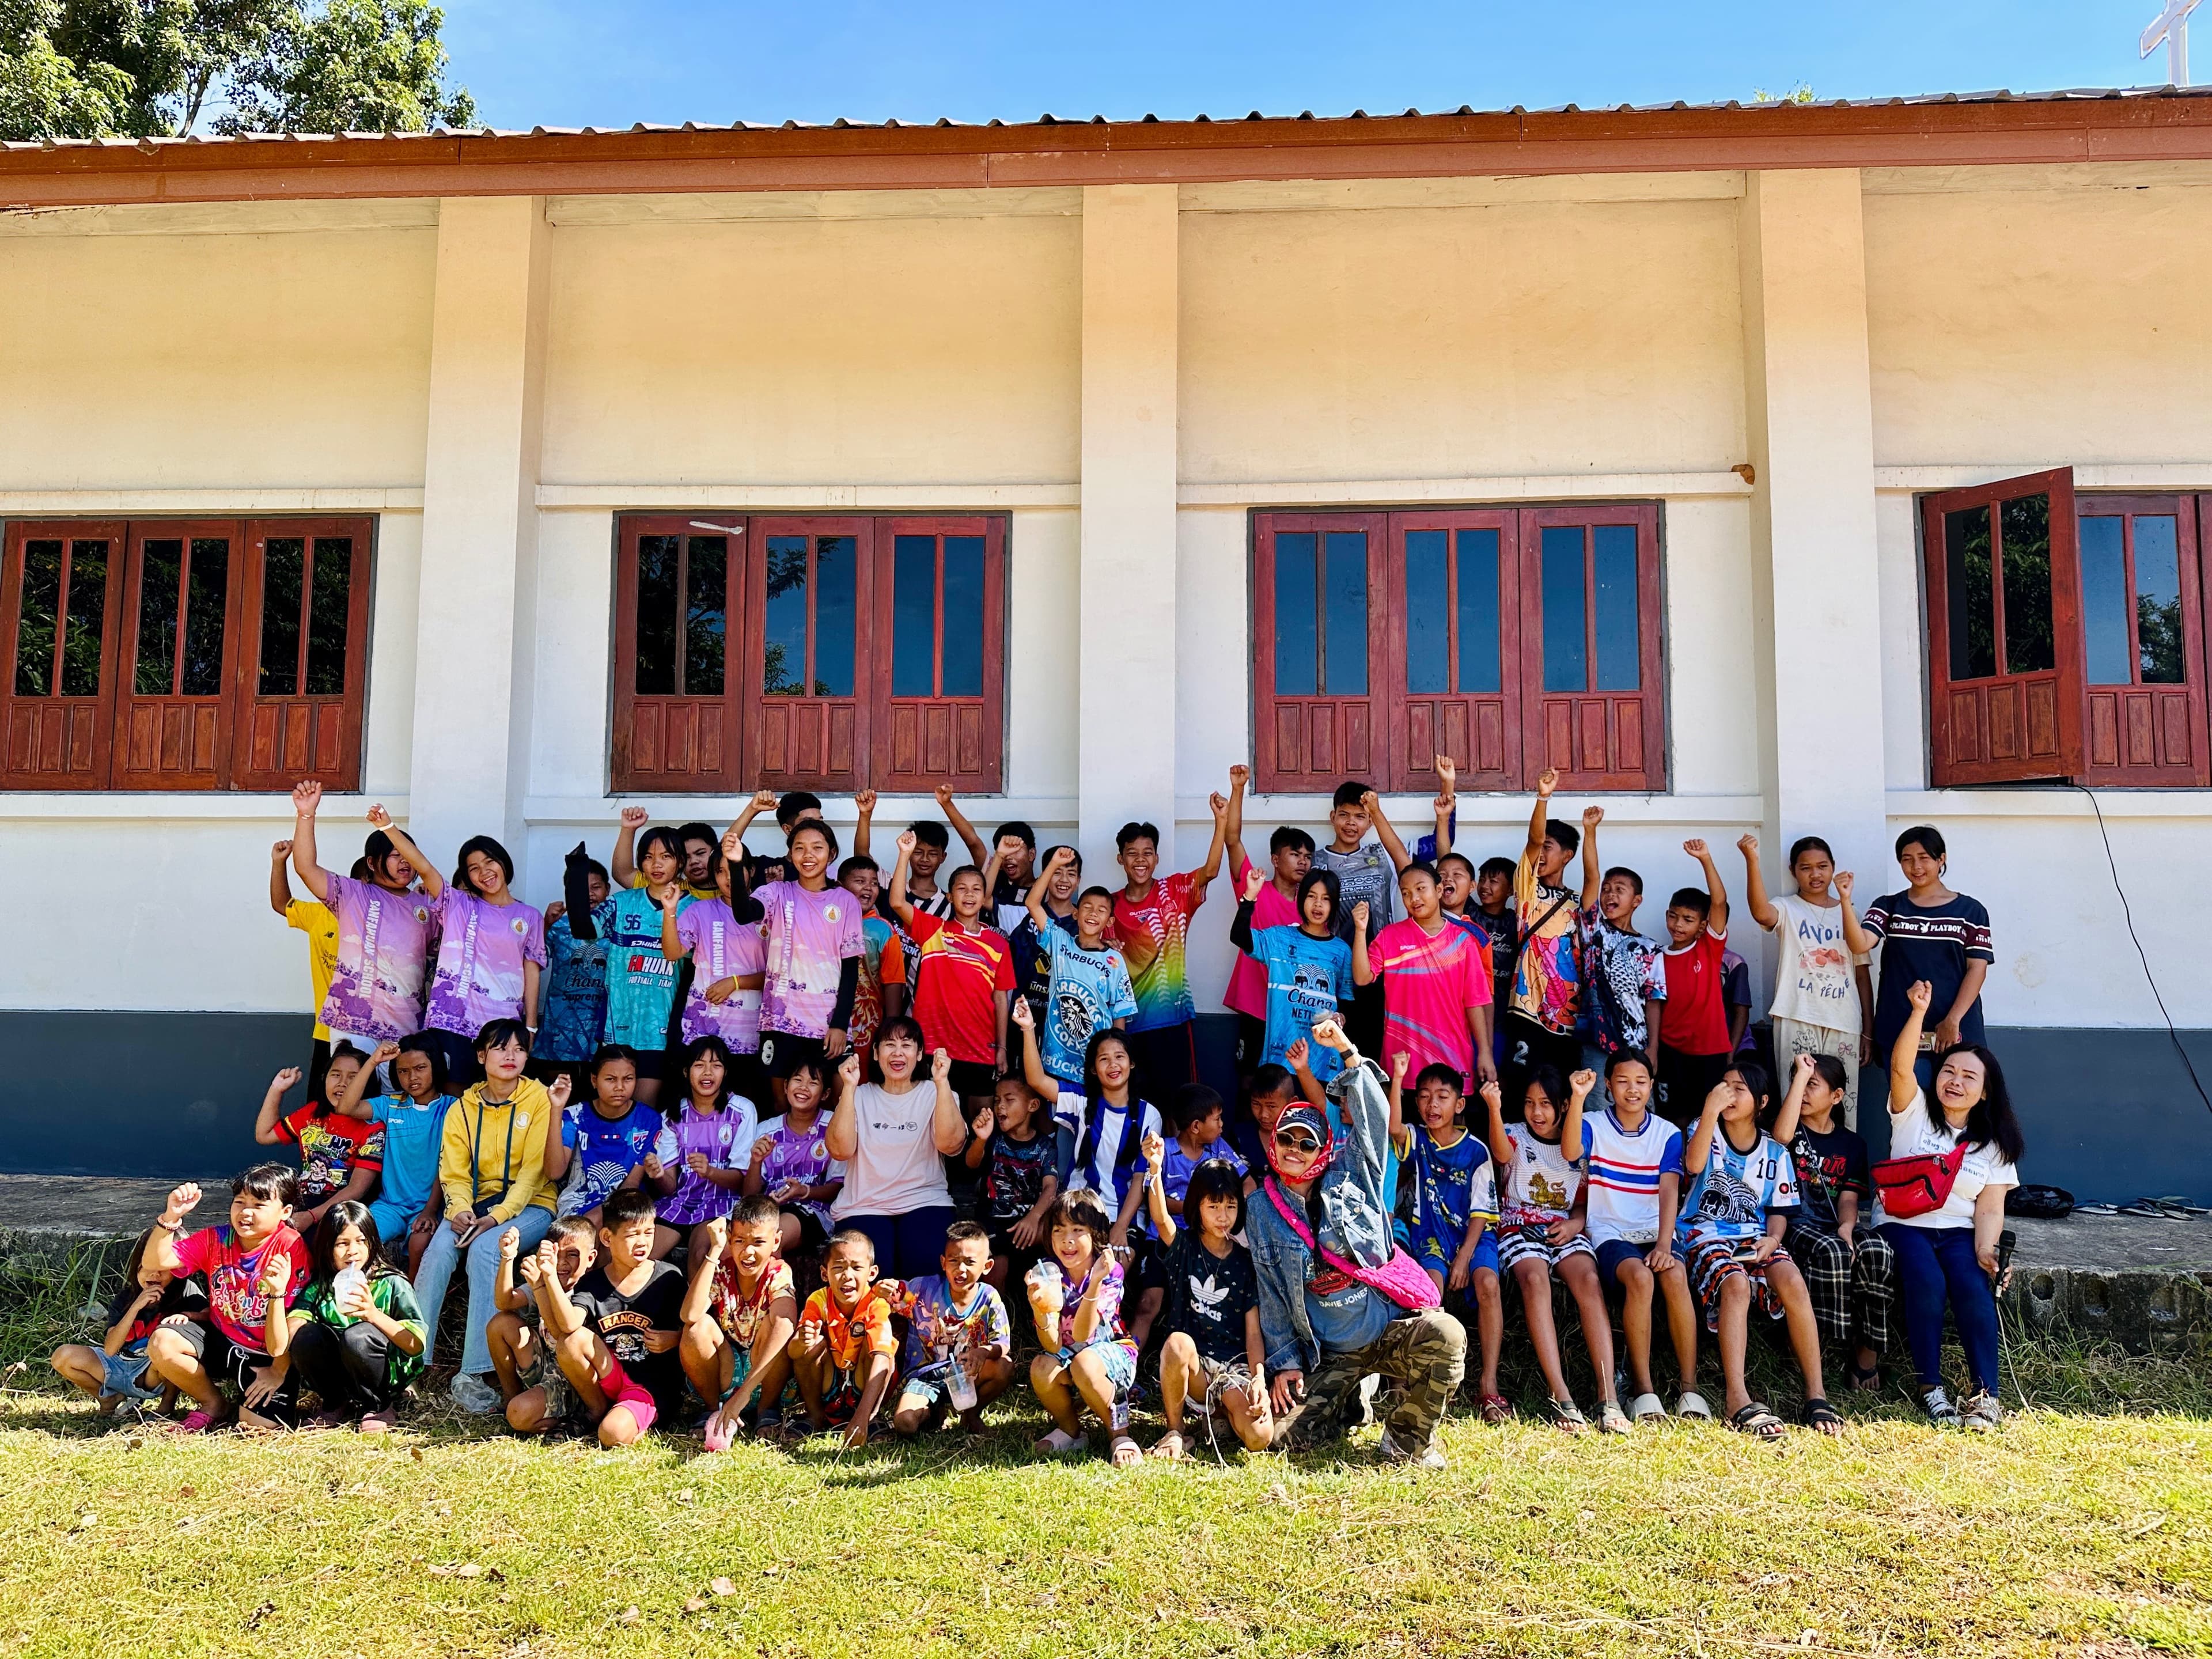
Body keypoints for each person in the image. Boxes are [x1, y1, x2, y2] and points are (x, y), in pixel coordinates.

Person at [1247, 1020, 1466, 1468]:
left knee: (1448, 1335)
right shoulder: (1261, 1208)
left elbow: (1374, 1116)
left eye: (1306, 1143)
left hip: (1387, 1331)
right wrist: (1287, 1363)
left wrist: (1347, 1050)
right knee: (1285, 1438)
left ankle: (1406, 1440)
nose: (1294, 1149)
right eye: (1286, 1138)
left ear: (1323, 1151)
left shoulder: (1353, 1176)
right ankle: (1352, 1399)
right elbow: (1270, 1292)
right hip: (1329, 1353)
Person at [1876, 979, 2022, 1430]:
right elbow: (1901, 1067)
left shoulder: (1994, 1145)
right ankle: (1931, 1388)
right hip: (1903, 1224)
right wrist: (1918, 1012)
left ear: (1985, 1092)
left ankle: (1986, 1396)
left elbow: (1990, 1209)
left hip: (1959, 1232)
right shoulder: (1914, 1111)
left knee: (1973, 1287)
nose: (1955, 1081)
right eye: (1948, 1072)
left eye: (1968, 1077)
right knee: (1927, 1280)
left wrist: (1987, 1251)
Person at [1677, 1062, 1841, 1439]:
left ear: (1762, 1102)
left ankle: (1816, 1393)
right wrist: (1709, 1110)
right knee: (1735, 1284)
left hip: (1755, 1237)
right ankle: (1736, 1397)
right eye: (1724, 1085)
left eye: (1739, 1089)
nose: (1728, 1094)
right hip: (1704, 1234)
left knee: (1792, 1280)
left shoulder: (1774, 1151)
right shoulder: (1704, 1129)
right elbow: (1694, 1164)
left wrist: (1773, 1241)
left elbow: (1780, 1210)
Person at [414, 1021, 563, 1415]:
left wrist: (496, 1218)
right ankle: (412, 1358)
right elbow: (454, 1172)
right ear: (481, 1056)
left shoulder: (539, 1100)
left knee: (485, 1250)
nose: (511, 1056)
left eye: (519, 1049)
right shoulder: (462, 1108)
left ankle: (477, 1370)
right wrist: (460, 1209)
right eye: (500, 1048)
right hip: (474, 1207)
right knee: (438, 1251)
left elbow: (534, 1174)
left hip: (531, 1205)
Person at [1483, 1066, 1622, 1433]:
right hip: (1517, 1224)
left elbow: (1584, 1204)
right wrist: (1495, 1109)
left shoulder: (1579, 1145)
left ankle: (1608, 1396)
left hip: (1565, 1226)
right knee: (1534, 1280)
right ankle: (1561, 1396)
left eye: (1545, 1104)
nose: (1537, 1112)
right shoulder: (1514, 1134)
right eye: (1530, 1103)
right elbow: (1501, 1154)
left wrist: (1576, 1224)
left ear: (1563, 1106)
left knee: (1589, 1281)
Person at [374, 815, 546, 1088]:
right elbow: (425, 868)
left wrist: (531, 1026)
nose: (485, 872)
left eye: (490, 862)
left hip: (502, 1027)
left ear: (503, 862)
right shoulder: (458, 904)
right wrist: (388, 828)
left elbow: (532, 971)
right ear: (468, 877)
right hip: (452, 1021)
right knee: (453, 1097)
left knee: (498, 1095)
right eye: (474, 868)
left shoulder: (530, 916)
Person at [1582, 1050, 1706, 1423]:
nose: (1632, 1089)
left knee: (1675, 1274)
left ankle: (1690, 1389)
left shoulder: (1667, 1133)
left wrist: (1665, 1245)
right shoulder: (1592, 1123)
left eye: (1640, 1082)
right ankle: (1643, 1389)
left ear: (1652, 1086)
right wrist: (1577, 1097)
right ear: (1608, 1085)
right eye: (1622, 1081)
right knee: (1640, 1277)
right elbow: (1571, 1151)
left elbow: (1669, 1190)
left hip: (1655, 1229)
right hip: (1609, 1229)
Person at [141, 1166, 311, 1434]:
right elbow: (156, 1261)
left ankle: (258, 1393)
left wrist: (278, 1371)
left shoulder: (289, 1246)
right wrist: (171, 1217)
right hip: (223, 1340)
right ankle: (213, 1404)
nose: (246, 1213)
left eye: (259, 1205)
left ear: (285, 1212)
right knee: (164, 1342)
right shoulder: (216, 1238)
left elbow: (297, 1317)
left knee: (256, 1429)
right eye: (240, 1202)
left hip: (268, 1353)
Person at [287, 781, 433, 1085]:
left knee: (396, 1101)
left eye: (408, 854)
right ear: (372, 862)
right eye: (394, 855)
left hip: (406, 1026)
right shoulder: (352, 894)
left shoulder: (427, 906)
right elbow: (305, 867)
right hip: (352, 1022)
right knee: (352, 1096)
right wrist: (306, 815)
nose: (404, 861)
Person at [1770, 1051, 1895, 1395]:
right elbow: (1780, 1138)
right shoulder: (1791, 1132)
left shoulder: (1852, 1144)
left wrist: (1846, 1227)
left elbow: (1849, 1199)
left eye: (1812, 1085)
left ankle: (1867, 1351)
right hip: (1795, 1223)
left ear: (1837, 1096)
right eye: (1800, 1085)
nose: (1804, 1092)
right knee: (1831, 1251)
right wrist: (1800, 1076)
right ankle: (1818, 1348)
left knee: (1878, 1249)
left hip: (1831, 1222)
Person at [1389, 1056, 1503, 1425]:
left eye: (1442, 1097)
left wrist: (1465, 1257)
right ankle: (1429, 1381)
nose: (1432, 1105)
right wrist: (1398, 1078)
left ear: (1460, 1104)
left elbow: (1482, 1212)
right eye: (1424, 1096)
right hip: (1431, 1234)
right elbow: (1394, 1128)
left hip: (1474, 1235)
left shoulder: (1477, 1151)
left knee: (1488, 1284)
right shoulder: (1418, 1138)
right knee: (1429, 1293)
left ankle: (1488, 1382)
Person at [541, 1188, 700, 1448]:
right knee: (571, 1341)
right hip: (610, 1376)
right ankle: (596, 1409)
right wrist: (548, 1277)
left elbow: (695, 1329)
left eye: (649, 1232)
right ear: (607, 1237)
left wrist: (675, 1339)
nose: (643, 1242)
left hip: (650, 1386)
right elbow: (569, 1325)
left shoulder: (668, 1277)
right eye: (632, 1234)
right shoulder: (593, 1283)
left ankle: (629, 1420)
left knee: (611, 1435)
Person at [1142, 1152, 1270, 1459]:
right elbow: (1160, 1219)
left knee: (1259, 1437)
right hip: (1197, 1369)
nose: (1223, 1216)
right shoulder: (1184, 1248)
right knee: (1177, 1344)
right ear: (1196, 1207)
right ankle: (1176, 1430)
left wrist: (1259, 1379)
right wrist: (1155, 1169)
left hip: (1233, 1369)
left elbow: (1254, 1333)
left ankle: (1220, 1414)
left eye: (1230, 1206)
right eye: (1213, 1206)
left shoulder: (1246, 1262)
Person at [1106, 784, 1231, 1097]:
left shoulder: (1175, 892)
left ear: (1157, 858)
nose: (1140, 860)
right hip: (1125, 1025)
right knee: (1135, 1104)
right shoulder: (1108, 906)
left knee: (1178, 1102)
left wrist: (1221, 820)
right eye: (1132, 853)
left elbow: (1211, 871)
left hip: (1172, 1019)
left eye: (1147, 853)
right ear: (1120, 859)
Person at [1850, 827, 1994, 1096]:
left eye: (1924, 858)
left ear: (1941, 859)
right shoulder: (1889, 906)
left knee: (1959, 1108)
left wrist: (1952, 1020)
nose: (1916, 867)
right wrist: (1845, 900)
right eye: (1907, 859)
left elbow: (1977, 969)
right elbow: (1860, 944)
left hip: (1957, 1031)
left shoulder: (1971, 911)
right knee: (1910, 1111)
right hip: (1901, 1029)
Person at [1012, 998, 1160, 1259]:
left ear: (1131, 1063)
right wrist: (1028, 1028)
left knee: (1113, 1273)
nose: (1113, 1065)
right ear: (1093, 1069)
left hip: (1122, 1218)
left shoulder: (1150, 1115)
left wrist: (1121, 1227)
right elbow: (1036, 1080)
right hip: (1076, 1211)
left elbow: (1140, 1178)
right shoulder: (1081, 1102)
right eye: (1104, 1059)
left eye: (1119, 1057)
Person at [732, 818, 864, 1108]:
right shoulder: (777, 892)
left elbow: (850, 970)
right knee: (782, 1106)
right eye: (800, 848)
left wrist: (840, 1025)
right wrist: (735, 863)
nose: (808, 855)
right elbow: (744, 913)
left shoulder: (846, 902)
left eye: (817, 848)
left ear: (831, 853)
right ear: (790, 854)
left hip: (827, 1024)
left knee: (835, 1104)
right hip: (780, 1021)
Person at [888, 829, 1017, 1118]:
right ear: (949, 896)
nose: (969, 895)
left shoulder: (998, 943)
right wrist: (904, 854)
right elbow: (897, 902)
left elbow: (1001, 999)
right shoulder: (934, 931)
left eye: (976, 889)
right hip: (934, 1048)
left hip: (980, 1048)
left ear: (984, 896)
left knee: (979, 1126)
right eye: (962, 889)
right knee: (934, 1124)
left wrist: (1002, 1048)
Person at [827, 1021, 968, 1279]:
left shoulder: (936, 1091)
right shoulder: (859, 1095)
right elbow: (840, 1150)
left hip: (924, 1200)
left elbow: (951, 1144)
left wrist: (942, 1081)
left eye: (907, 1045)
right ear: (876, 1053)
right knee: (872, 1274)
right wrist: (848, 1088)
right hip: (864, 1204)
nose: (898, 1053)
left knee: (926, 1269)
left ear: (920, 1053)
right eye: (889, 1045)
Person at [1353, 863, 1496, 1096]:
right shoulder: (1390, 936)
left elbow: (1475, 1002)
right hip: (1402, 1062)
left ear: (1439, 890)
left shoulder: (1464, 942)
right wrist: (1360, 931)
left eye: (1421, 889)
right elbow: (1362, 977)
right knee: (1402, 1120)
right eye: (1406, 893)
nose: (1414, 898)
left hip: (1453, 1060)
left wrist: (1485, 1053)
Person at [283, 1200, 427, 1433]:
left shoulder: (392, 1284)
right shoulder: (320, 1288)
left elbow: (415, 1345)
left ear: (373, 1242)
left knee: (358, 1337)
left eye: (361, 1241)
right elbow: (292, 1329)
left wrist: (373, 1314)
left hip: (385, 1376)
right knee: (306, 1336)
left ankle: (379, 1405)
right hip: (341, 1376)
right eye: (342, 1243)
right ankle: (334, 1402)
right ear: (327, 1248)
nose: (353, 1251)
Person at [1024, 1187, 1142, 1465]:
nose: (1068, 1240)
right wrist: (1039, 1308)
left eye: (1078, 1230)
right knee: (1041, 1367)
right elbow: (1053, 1344)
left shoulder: (1108, 1270)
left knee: (1085, 1363)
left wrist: (1095, 1282)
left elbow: (1082, 1333)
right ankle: (1071, 1431)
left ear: (1096, 1234)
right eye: (1059, 1231)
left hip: (1112, 1353)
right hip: (1070, 1354)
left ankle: (1119, 1434)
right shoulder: (1049, 1272)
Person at [1501, 770, 1596, 1112]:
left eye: (1549, 848)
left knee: (1559, 1094)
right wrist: (1543, 797)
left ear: (1567, 855)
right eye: (1540, 848)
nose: (1541, 854)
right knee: (1521, 1087)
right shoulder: (1528, 889)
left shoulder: (1576, 902)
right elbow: (1532, 840)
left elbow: (1593, 880)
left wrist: (1590, 833)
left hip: (1565, 1015)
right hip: (1526, 1007)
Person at [1310, 782, 1419, 1057]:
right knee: (1335, 1051)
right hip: (1334, 971)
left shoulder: (1380, 856)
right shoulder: (1315, 862)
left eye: (1360, 817)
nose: (1351, 823)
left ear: (1370, 823)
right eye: (1345, 815)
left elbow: (1405, 864)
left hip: (1379, 970)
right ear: (1332, 817)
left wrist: (1377, 811)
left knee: (1374, 1051)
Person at [681, 1198, 800, 1449]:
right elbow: (689, 1315)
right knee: (697, 1328)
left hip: (765, 1375)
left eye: (758, 1242)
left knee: (777, 1325)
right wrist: (715, 1252)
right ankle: (713, 1409)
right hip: (730, 1369)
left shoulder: (778, 1272)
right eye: (739, 1241)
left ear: (776, 1242)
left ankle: (767, 1409)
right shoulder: (723, 1271)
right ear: (729, 1239)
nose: (748, 1252)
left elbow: (787, 1324)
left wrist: (744, 1394)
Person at [332, 1036, 456, 1276]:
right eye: (403, 1071)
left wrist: (431, 1210)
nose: (412, 1077)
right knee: (355, 1236)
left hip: (432, 1206)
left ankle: (410, 1294)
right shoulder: (390, 1105)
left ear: (436, 1067)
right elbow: (346, 1107)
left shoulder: (453, 1108)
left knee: (419, 1245)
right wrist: (372, 1062)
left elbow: (450, 1165)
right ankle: (354, 1290)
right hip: (390, 1206)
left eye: (420, 1068)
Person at [50, 1225, 202, 1418]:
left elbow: (208, 1315)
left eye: (164, 1269)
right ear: (137, 1265)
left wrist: (190, 1316)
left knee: (168, 1355)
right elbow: (110, 1349)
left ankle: (167, 1405)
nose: (154, 1275)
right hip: (118, 1364)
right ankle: (108, 1399)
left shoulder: (186, 1292)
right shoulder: (127, 1297)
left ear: (179, 1271)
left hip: (152, 1373)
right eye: (147, 1266)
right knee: (63, 1356)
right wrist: (135, 1307)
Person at [1221, 763, 1313, 1074]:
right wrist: (1238, 790)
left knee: (1288, 1079)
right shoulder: (1255, 887)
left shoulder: (1312, 904)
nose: (1303, 862)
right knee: (1249, 1080)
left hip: (1293, 1008)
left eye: (1307, 857)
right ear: (1275, 859)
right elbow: (1232, 841)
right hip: (1255, 1004)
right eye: (1295, 854)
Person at [1023, 847, 1137, 1088]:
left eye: (1102, 910)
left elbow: (1119, 1016)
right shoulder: (1060, 941)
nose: (1093, 914)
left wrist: (1117, 1060)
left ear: (1110, 921)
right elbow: (1032, 903)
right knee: (1057, 1110)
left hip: (1096, 1066)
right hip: (1057, 1060)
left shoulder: (1114, 961)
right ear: (1076, 913)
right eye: (1087, 907)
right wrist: (1054, 864)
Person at [891, 1221, 1016, 1439]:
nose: (961, 1269)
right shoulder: (923, 1290)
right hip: (926, 1377)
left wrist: (983, 1352)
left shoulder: (989, 1297)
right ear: (943, 1262)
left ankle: (971, 1415)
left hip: (968, 1373)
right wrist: (885, 1289)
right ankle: (933, 1411)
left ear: (987, 1266)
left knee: (1004, 1366)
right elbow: (895, 1295)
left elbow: (1002, 1344)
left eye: (970, 1262)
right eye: (954, 1261)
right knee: (905, 1423)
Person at [1229, 863, 1354, 1082]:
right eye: (1312, 896)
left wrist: (1341, 1017)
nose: (1318, 904)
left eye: (1326, 899)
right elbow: (1239, 936)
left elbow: (1346, 1000)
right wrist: (1250, 896)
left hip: (1324, 1061)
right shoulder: (1279, 938)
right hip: (1281, 1059)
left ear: (1334, 905)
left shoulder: (1342, 950)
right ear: (1301, 899)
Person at [599, 824, 694, 1105]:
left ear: (680, 862)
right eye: (649, 857)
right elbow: (584, 928)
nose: (656, 864)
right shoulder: (620, 903)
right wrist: (576, 875)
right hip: (618, 1028)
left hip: (661, 1031)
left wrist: (670, 912)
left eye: (666, 856)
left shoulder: (694, 908)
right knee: (614, 1107)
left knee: (642, 1111)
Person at [660, 854, 767, 1104]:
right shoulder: (701, 910)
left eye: (735, 869)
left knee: (743, 1103)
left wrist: (736, 983)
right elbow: (672, 953)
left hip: (749, 1031)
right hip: (703, 1029)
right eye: (720, 871)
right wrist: (670, 911)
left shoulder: (766, 912)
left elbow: (781, 975)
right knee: (698, 1102)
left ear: (751, 870)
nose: (728, 878)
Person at [1575, 808, 1666, 1084]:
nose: (1609, 894)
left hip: (1636, 1044)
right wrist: (1590, 831)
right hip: (1597, 1039)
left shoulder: (1650, 949)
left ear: (1636, 901)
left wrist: (1653, 1047)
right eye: (1606, 889)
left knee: (1637, 1103)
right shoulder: (1594, 929)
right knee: (1597, 1103)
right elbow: (1591, 877)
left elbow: (1654, 1000)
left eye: (1619, 890)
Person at [648, 1035, 760, 1257]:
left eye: (716, 1066)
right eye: (699, 1065)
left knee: (702, 1255)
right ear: (686, 1071)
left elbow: (742, 1181)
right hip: (680, 1203)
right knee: (642, 1258)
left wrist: (710, 1172)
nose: (708, 1073)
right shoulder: (672, 1116)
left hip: (723, 1203)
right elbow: (670, 1187)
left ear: (725, 1072)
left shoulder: (742, 1110)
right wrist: (659, 1175)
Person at [793, 1228, 904, 1448]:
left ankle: (872, 1417)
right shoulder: (818, 1300)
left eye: (857, 1267)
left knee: (883, 1353)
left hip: (864, 1383)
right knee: (812, 1344)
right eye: (838, 1267)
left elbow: (882, 1360)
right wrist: (801, 1341)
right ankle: (815, 1415)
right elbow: (794, 1353)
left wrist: (862, 1418)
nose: (847, 1275)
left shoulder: (876, 1304)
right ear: (824, 1273)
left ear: (872, 1273)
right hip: (831, 1381)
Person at [487, 1214, 597, 1434]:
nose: (561, 1263)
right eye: (556, 1254)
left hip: (573, 1381)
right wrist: (508, 1257)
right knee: (501, 1324)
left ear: (591, 1258)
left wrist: (540, 1286)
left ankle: (572, 1417)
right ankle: (511, 1397)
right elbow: (504, 1302)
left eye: (572, 1255)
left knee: (519, 1415)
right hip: (546, 1364)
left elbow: (560, 1335)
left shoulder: (589, 1290)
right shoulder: (546, 1278)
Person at [252, 1052, 376, 1242]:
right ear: (324, 1078)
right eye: (336, 1075)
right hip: (302, 1200)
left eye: (354, 1077)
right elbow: (264, 1135)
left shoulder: (373, 1126)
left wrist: (311, 1216)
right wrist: (277, 1089)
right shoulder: (313, 1112)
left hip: (339, 1208)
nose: (343, 1083)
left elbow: (357, 1188)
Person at [1654, 840, 1733, 1126]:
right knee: (1673, 1118)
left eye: (1688, 919)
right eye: (1673, 916)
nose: (1678, 924)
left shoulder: (1708, 948)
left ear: (1702, 926)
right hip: (1671, 1052)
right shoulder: (1656, 957)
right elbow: (1655, 1006)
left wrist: (1705, 859)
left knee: (1709, 1119)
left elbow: (1719, 902)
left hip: (1710, 1052)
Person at [543, 1044, 661, 1225]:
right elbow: (554, 1172)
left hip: (627, 1201)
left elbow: (632, 1184)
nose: (620, 1087)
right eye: (611, 1079)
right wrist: (557, 1109)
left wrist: (605, 1214)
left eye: (628, 1079)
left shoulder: (648, 1120)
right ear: (594, 1080)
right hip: (579, 1201)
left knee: (605, 1222)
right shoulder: (575, 1116)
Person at [964, 1069, 1058, 1295]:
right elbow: (971, 1164)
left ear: (1032, 1106)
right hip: (993, 1224)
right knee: (997, 1269)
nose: (1000, 1107)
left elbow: (1051, 1187)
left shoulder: (1045, 1146)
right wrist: (981, 1139)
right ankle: (1000, 1309)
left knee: (1049, 1244)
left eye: (1009, 1100)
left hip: (1028, 1224)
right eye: (997, 1100)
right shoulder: (994, 1138)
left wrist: (1034, 1217)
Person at [744, 1054, 845, 1256]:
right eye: (798, 1080)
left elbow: (837, 1187)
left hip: (814, 1211)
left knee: (770, 1240)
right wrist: (755, 1162)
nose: (803, 1088)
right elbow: (749, 1196)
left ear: (825, 1094)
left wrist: (803, 1191)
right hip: (768, 1210)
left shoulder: (833, 1125)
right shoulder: (766, 1130)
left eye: (813, 1083)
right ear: (785, 1086)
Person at [535, 853, 615, 1089]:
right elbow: (533, 959)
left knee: (598, 1090)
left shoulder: (618, 927)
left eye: (596, 887)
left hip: (601, 1025)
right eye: (580, 889)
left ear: (608, 889)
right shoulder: (558, 925)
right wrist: (546, 924)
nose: (589, 894)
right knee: (558, 1094)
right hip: (560, 1025)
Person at [270, 836, 339, 1091]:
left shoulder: (390, 919)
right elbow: (281, 904)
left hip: (378, 1034)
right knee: (321, 1106)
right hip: (328, 1033)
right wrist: (279, 863)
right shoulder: (322, 914)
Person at [838, 853, 907, 1062]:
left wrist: (891, 1029)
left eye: (874, 883)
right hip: (826, 1021)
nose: (868, 888)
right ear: (840, 887)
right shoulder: (829, 921)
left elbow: (894, 982)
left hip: (867, 1026)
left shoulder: (883, 930)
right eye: (860, 881)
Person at [1009, 842, 1082, 1033]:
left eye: (1071, 874)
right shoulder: (1030, 918)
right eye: (1057, 872)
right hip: (1026, 1014)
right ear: (1045, 876)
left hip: (1065, 1022)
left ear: (1079, 880)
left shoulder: (1084, 924)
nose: (1064, 880)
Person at [609, 803, 720, 899]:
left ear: (715, 852)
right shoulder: (671, 887)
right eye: (687, 857)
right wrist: (628, 830)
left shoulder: (727, 888)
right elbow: (623, 874)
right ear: (681, 861)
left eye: (700, 853)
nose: (694, 861)